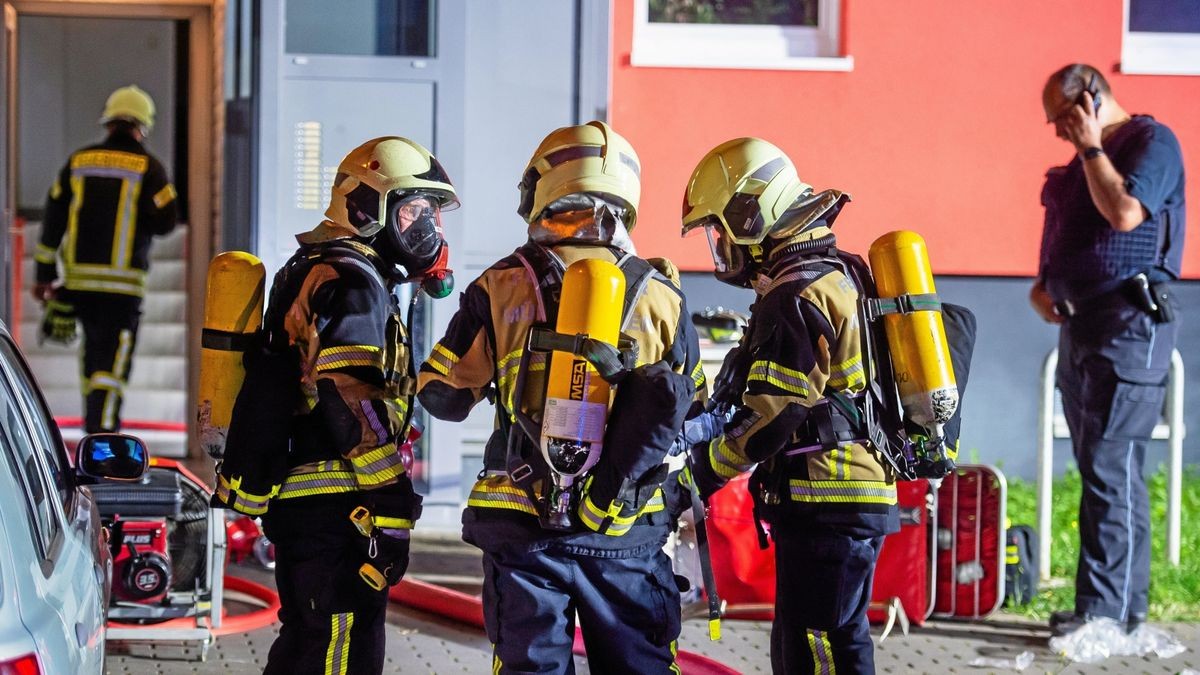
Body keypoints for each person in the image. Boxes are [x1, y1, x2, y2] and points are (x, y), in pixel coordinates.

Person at [416, 120, 705, 673]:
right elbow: (690, 412)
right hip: (625, 531)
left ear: (538, 192)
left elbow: (444, 398)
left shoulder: (500, 284)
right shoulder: (663, 294)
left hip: (524, 530)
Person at [214, 137, 458, 673]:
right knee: (338, 649)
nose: (428, 229)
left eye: (432, 214)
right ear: (369, 206)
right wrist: (391, 500)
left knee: (308, 643)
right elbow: (349, 394)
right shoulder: (352, 282)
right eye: (414, 210)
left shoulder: (319, 266)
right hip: (339, 505)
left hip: (310, 503)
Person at [679, 137, 899, 674]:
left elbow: (772, 415)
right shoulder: (836, 272)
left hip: (829, 497)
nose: (720, 247)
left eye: (720, 230)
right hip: (846, 495)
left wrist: (703, 472)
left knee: (817, 652)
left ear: (751, 215)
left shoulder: (795, 295)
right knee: (825, 642)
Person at [1030, 64, 1185, 636]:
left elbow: (1124, 214)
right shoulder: (1084, 162)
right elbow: (1074, 230)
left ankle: (1106, 614)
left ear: (1090, 99)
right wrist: (1044, 283)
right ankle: (1113, 607)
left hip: (1130, 326)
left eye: (1063, 118)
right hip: (1083, 327)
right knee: (1103, 468)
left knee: (1110, 468)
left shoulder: (1151, 142)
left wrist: (1092, 144)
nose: (1058, 133)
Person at [33, 85, 178, 433]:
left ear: (109, 122)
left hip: (79, 284)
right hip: (122, 289)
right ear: (142, 126)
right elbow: (168, 220)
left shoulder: (79, 161)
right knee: (112, 364)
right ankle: (103, 434)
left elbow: (53, 218)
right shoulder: (150, 168)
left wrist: (43, 274)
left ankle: (92, 426)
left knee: (91, 357)